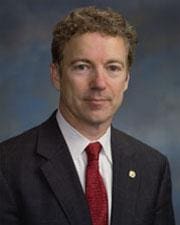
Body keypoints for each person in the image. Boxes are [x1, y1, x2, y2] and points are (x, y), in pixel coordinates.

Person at [0, 6, 175, 225]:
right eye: (82, 67)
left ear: (127, 79)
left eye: (113, 68)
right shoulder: (7, 166)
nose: (99, 83)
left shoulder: (152, 167)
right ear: (56, 75)